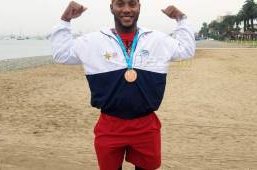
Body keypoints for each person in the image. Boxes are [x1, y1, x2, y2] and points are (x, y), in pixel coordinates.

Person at [51, 0, 195, 169]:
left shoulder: (157, 40)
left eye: (132, 4)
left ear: (139, 7)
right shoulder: (93, 41)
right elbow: (61, 54)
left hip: (146, 126)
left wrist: (181, 19)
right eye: (120, 4)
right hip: (109, 126)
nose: (126, 9)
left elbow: (186, 50)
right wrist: (65, 20)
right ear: (111, 8)